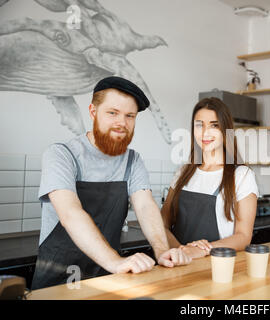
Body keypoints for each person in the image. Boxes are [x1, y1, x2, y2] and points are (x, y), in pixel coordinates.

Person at [31, 76, 191, 290]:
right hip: (58, 279)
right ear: (93, 112)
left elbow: (145, 206)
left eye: (129, 116)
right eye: (112, 113)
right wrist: (115, 261)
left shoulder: (132, 161)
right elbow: (71, 214)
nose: (121, 123)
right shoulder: (61, 154)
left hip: (108, 277)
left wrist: (162, 250)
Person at [160, 97, 258, 259]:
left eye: (214, 125)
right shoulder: (183, 172)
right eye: (199, 125)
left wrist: (203, 250)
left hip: (219, 264)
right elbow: (161, 224)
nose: (205, 132)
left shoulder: (241, 175)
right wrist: (181, 252)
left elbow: (243, 236)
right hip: (177, 263)